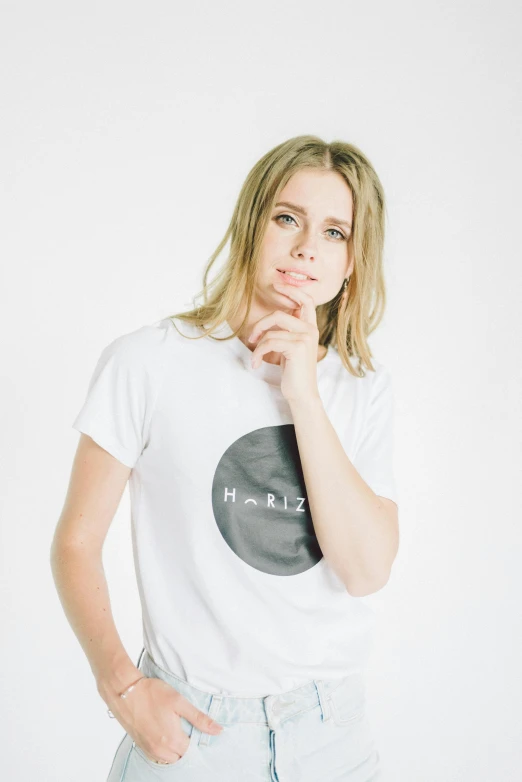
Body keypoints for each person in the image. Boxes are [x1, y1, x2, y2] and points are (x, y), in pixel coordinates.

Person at [50, 134, 399, 781]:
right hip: (192, 736)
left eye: (334, 232)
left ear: (353, 258)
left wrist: (304, 394)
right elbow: (75, 542)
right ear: (252, 221)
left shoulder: (360, 388)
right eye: (287, 217)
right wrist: (123, 690)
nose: (305, 248)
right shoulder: (149, 362)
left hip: (332, 738)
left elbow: (366, 569)